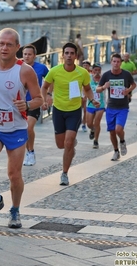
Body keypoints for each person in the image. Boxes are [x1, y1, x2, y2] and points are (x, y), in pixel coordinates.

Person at [0, 28, 43, 228]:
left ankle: (15, 210)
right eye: (1, 44)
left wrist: (28, 105)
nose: (4, 48)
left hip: (15, 129)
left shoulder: (25, 71)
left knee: (14, 174)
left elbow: (40, 99)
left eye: (9, 44)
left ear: (17, 48)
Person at [41, 42, 100, 186]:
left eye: (71, 53)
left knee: (67, 143)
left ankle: (64, 173)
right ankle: (71, 145)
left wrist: (92, 99)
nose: (68, 56)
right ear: (62, 55)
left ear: (76, 56)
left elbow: (87, 89)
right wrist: (44, 100)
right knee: (61, 145)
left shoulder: (83, 73)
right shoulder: (54, 71)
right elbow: (44, 87)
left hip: (74, 111)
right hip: (58, 111)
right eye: (66, 53)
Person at [96, 53, 136, 161]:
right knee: (112, 131)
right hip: (111, 107)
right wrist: (104, 86)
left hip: (123, 107)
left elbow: (134, 84)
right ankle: (116, 151)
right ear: (111, 62)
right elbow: (97, 89)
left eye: (118, 62)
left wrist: (128, 90)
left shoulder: (126, 74)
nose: (116, 64)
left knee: (118, 129)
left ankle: (122, 141)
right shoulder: (106, 75)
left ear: (121, 63)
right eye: (114, 61)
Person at [21, 44, 49, 166]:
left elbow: (50, 81)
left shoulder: (41, 68)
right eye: (25, 54)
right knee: (22, 130)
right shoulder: (18, 67)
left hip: (34, 102)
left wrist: (48, 96)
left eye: (29, 54)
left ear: (34, 56)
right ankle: (25, 152)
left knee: (28, 127)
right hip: (19, 103)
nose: (27, 56)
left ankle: (31, 152)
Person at [86, 63, 105, 149]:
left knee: (97, 123)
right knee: (89, 123)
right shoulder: (89, 78)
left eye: (99, 70)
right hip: (90, 104)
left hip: (100, 104)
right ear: (92, 70)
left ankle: (96, 141)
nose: (97, 72)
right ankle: (92, 129)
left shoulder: (103, 78)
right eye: (95, 70)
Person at [80, 60, 91, 132]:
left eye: (87, 65)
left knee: (85, 110)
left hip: (86, 94)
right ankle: (79, 121)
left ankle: (84, 123)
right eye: (84, 65)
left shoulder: (91, 75)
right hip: (79, 94)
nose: (85, 66)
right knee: (77, 109)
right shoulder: (79, 73)